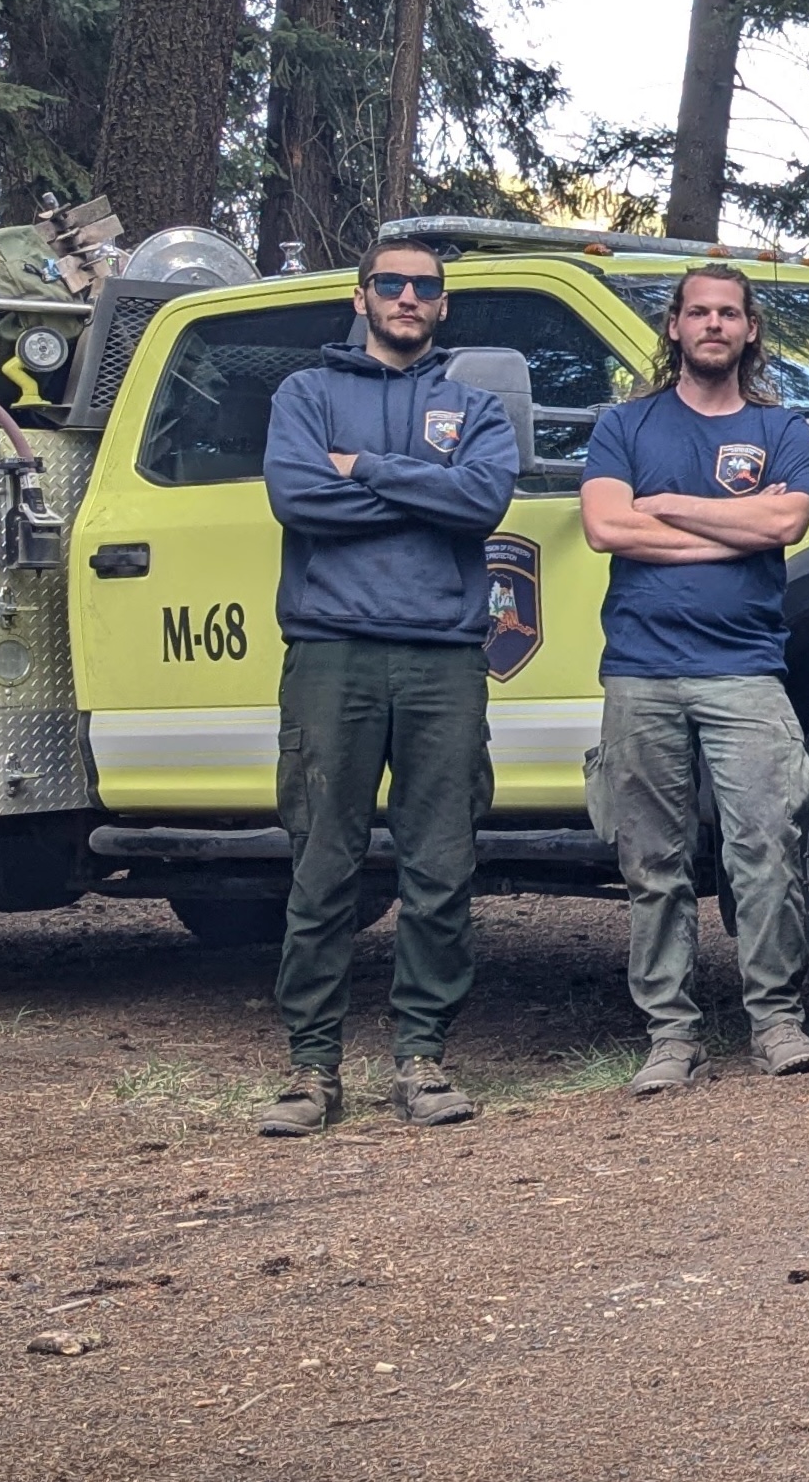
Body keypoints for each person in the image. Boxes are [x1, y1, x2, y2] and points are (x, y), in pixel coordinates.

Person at [253, 241, 519, 1136]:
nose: (409, 297)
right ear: (362, 296)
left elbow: (482, 501)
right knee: (322, 861)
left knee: (440, 863)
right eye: (393, 284)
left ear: (443, 306)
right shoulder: (305, 394)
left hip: (444, 656)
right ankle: (311, 1068)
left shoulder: (473, 404)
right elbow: (297, 495)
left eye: (426, 288)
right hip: (333, 653)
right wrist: (425, 490)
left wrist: (361, 467)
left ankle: (422, 1057)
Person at [579, 265, 809, 1095]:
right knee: (653, 859)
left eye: (729, 312)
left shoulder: (781, 425)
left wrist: (667, 506)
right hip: (642, 671)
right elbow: (606, 525)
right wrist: (735, 525)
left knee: (766, 847)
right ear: (675, 327)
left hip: (746, 670)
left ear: (750, 328)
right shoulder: (625, 423)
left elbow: (786, 519)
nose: (714, 324)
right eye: (699, 312)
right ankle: (671, 1033)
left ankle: (776, 1020)